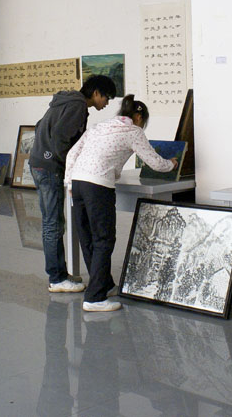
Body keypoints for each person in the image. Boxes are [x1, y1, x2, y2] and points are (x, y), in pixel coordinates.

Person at [65, 95, 177, 312]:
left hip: (77, 183)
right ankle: (94, 298)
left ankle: (104, 285)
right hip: (98, 186)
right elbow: (155, 162)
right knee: (103, 239)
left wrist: (69, 182)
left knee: (88, 238)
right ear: (138, 117)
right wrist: (171, 164)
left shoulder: (99, 127)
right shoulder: (133, 131)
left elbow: (72, 154)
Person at [29, 75, 117, 293]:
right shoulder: (77, 105)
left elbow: (41, 126)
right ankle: (57, 278)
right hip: (50, 168)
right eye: (107, 98)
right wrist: (69, 165)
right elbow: (60, 137)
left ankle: (59, 273)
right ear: (96, 93)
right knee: (53, 224)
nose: (107, 103)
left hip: (39, 163)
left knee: (52, 222)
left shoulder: (65, 101)